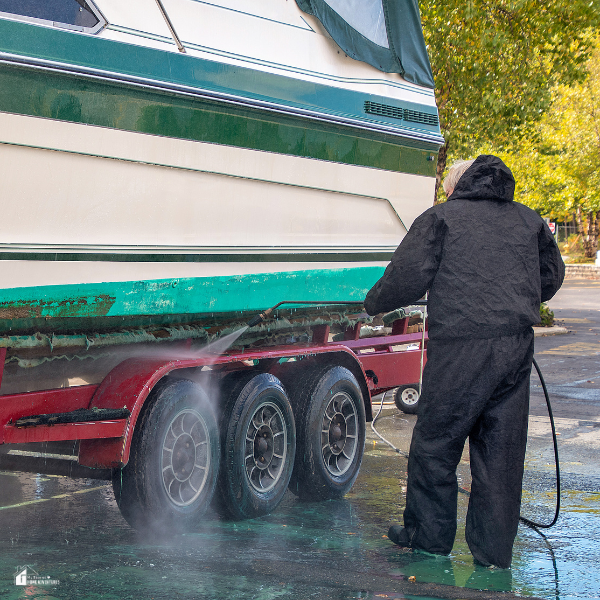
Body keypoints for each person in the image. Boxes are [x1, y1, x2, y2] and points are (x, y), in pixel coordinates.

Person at [364, 155, 564, 569]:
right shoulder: (529, 221)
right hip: (515, 349)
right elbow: (551, 276)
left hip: (459, 346)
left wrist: (374, 303)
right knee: (501, 451)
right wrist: (516, 302)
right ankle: (493, 553)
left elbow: (406, 275)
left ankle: (429, 540)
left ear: (457, 186)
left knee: (436, 445)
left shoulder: (442, 219)